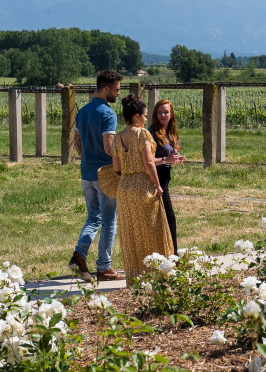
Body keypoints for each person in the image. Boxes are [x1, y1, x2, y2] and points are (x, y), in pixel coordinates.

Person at [68, 70, 126, 282]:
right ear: (106, 89)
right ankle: (104, 266)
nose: (118, 94)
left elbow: (77, 142)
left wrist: (87, 159)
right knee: (109, 220)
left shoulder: (82, 111)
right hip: (105, 175)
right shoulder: (108, 114)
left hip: (86, 172)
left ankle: (79, 255)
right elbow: (109, 146)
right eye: (117, 90)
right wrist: (125, 158)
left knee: (94, 217)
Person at [112, 94, 173, 282]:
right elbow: (148, 161)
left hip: (124, 188)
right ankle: (156, 272)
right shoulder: (143, 134)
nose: (146, 119)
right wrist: (157, 184)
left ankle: (135, 274)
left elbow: (117, 168)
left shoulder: (118, 137)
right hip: (142, 187)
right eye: (145, 116)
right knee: (152, 229)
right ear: (137, 116)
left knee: (131, 232)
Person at [148, 99, 184, 253]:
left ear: (171, 114)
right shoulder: (152, 134)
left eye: (166, 112)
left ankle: (168, 253)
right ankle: (173, 256)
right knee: (169, 218)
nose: (163, 115)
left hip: (165, 178)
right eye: (160, 112)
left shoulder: (168, 132)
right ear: (155, 114)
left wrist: (175, 156)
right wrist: (165, 160)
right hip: (156, 178)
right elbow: (146, 162)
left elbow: (168, 153)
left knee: (165, 219)